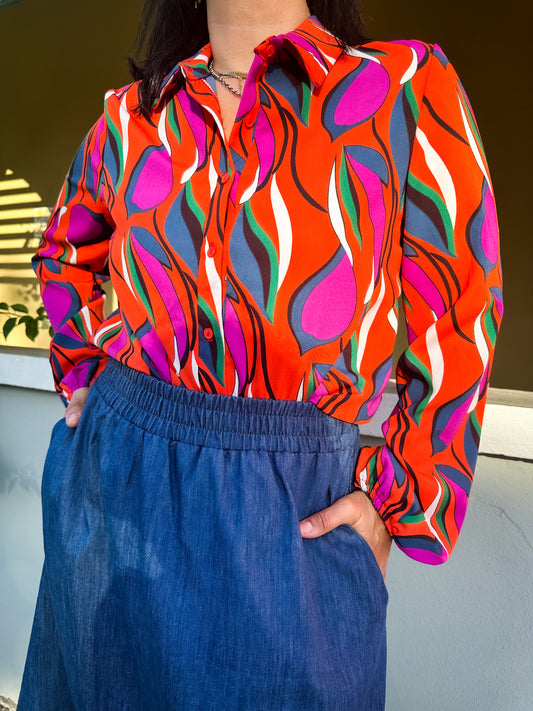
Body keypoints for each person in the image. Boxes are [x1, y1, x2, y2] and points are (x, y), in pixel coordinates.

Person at [17, 0, 502, 709]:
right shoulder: (130, 118)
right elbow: (65, 251)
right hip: (115, 485)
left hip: (288, 511)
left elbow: (461, 305)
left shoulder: (403, 90)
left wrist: (402, 496)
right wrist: (87, 377)